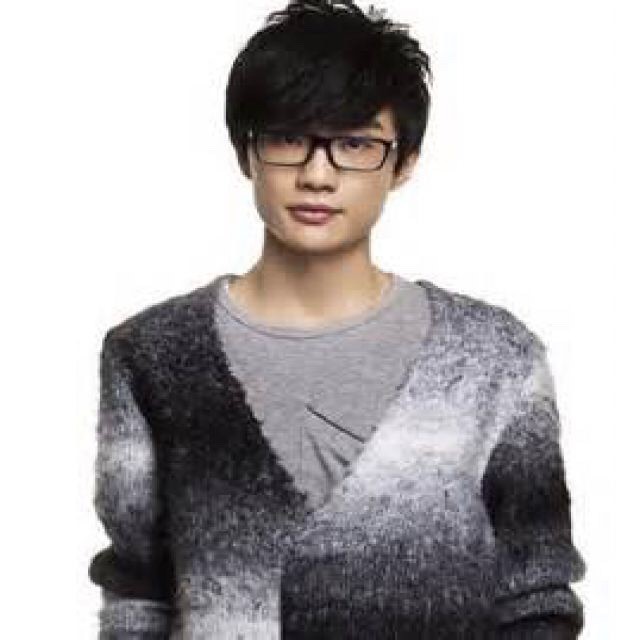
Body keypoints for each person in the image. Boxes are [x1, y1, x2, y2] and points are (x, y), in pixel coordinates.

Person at [88, 1, 587, 637]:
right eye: (288, 139)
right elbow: (138, 595)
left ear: (403, 162)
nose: (317, 175)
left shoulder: (496, 360)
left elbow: (537, 597)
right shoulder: (152, 355)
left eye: (355, 145)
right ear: (247, 152)